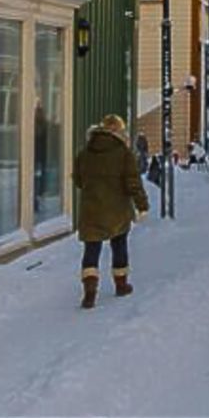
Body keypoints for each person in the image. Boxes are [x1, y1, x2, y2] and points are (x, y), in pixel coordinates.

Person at [72, 115, 149, 309]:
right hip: (117, 209)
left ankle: (89, 293)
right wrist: (142, 204)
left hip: (91, 209)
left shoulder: (85, 153)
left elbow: (78, 180)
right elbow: (133, 182)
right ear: (117, 131)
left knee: (91, 249)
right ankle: (121, 285)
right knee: (119, 244)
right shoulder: (123, 153)